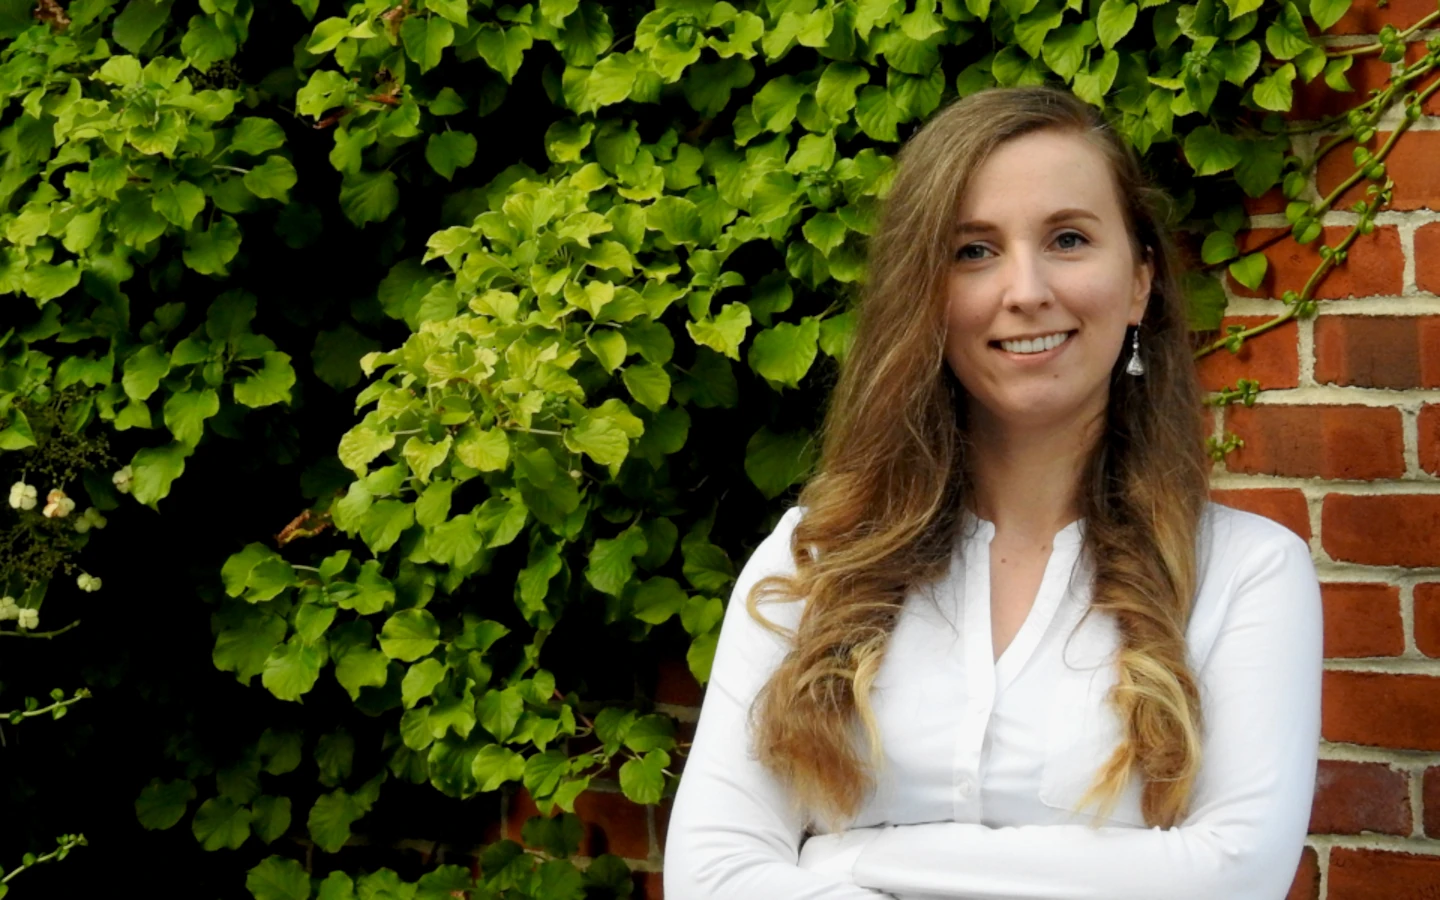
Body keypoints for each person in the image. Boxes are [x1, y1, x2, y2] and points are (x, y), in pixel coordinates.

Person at [661, 85, 1323, 900]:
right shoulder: (815, 557)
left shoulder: (1246, 573)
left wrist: (859, 861)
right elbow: (713, 873)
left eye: (1069, 238)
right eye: (973, 250)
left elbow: (1232, 875)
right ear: (926, 295)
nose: (1025, 289)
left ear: (1142, 282)